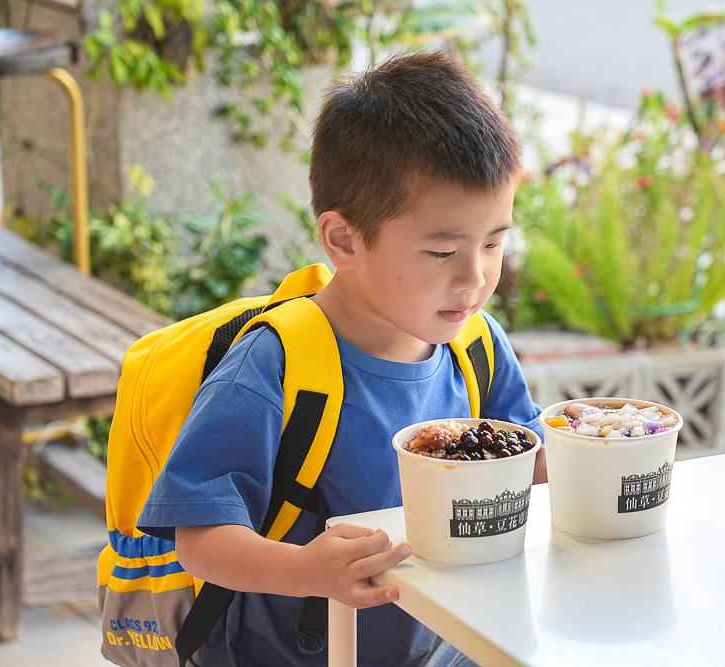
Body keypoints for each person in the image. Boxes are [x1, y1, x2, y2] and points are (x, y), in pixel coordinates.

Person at [136, 50, 545, 667]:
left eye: (494, 241)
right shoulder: (274, 365)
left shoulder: (477, 345)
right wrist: (304, 569)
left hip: (441, 645)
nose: (475, 277)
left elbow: (528, 457)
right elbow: (198, 538)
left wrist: (592, 452)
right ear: (344, 240)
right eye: (442, 251)